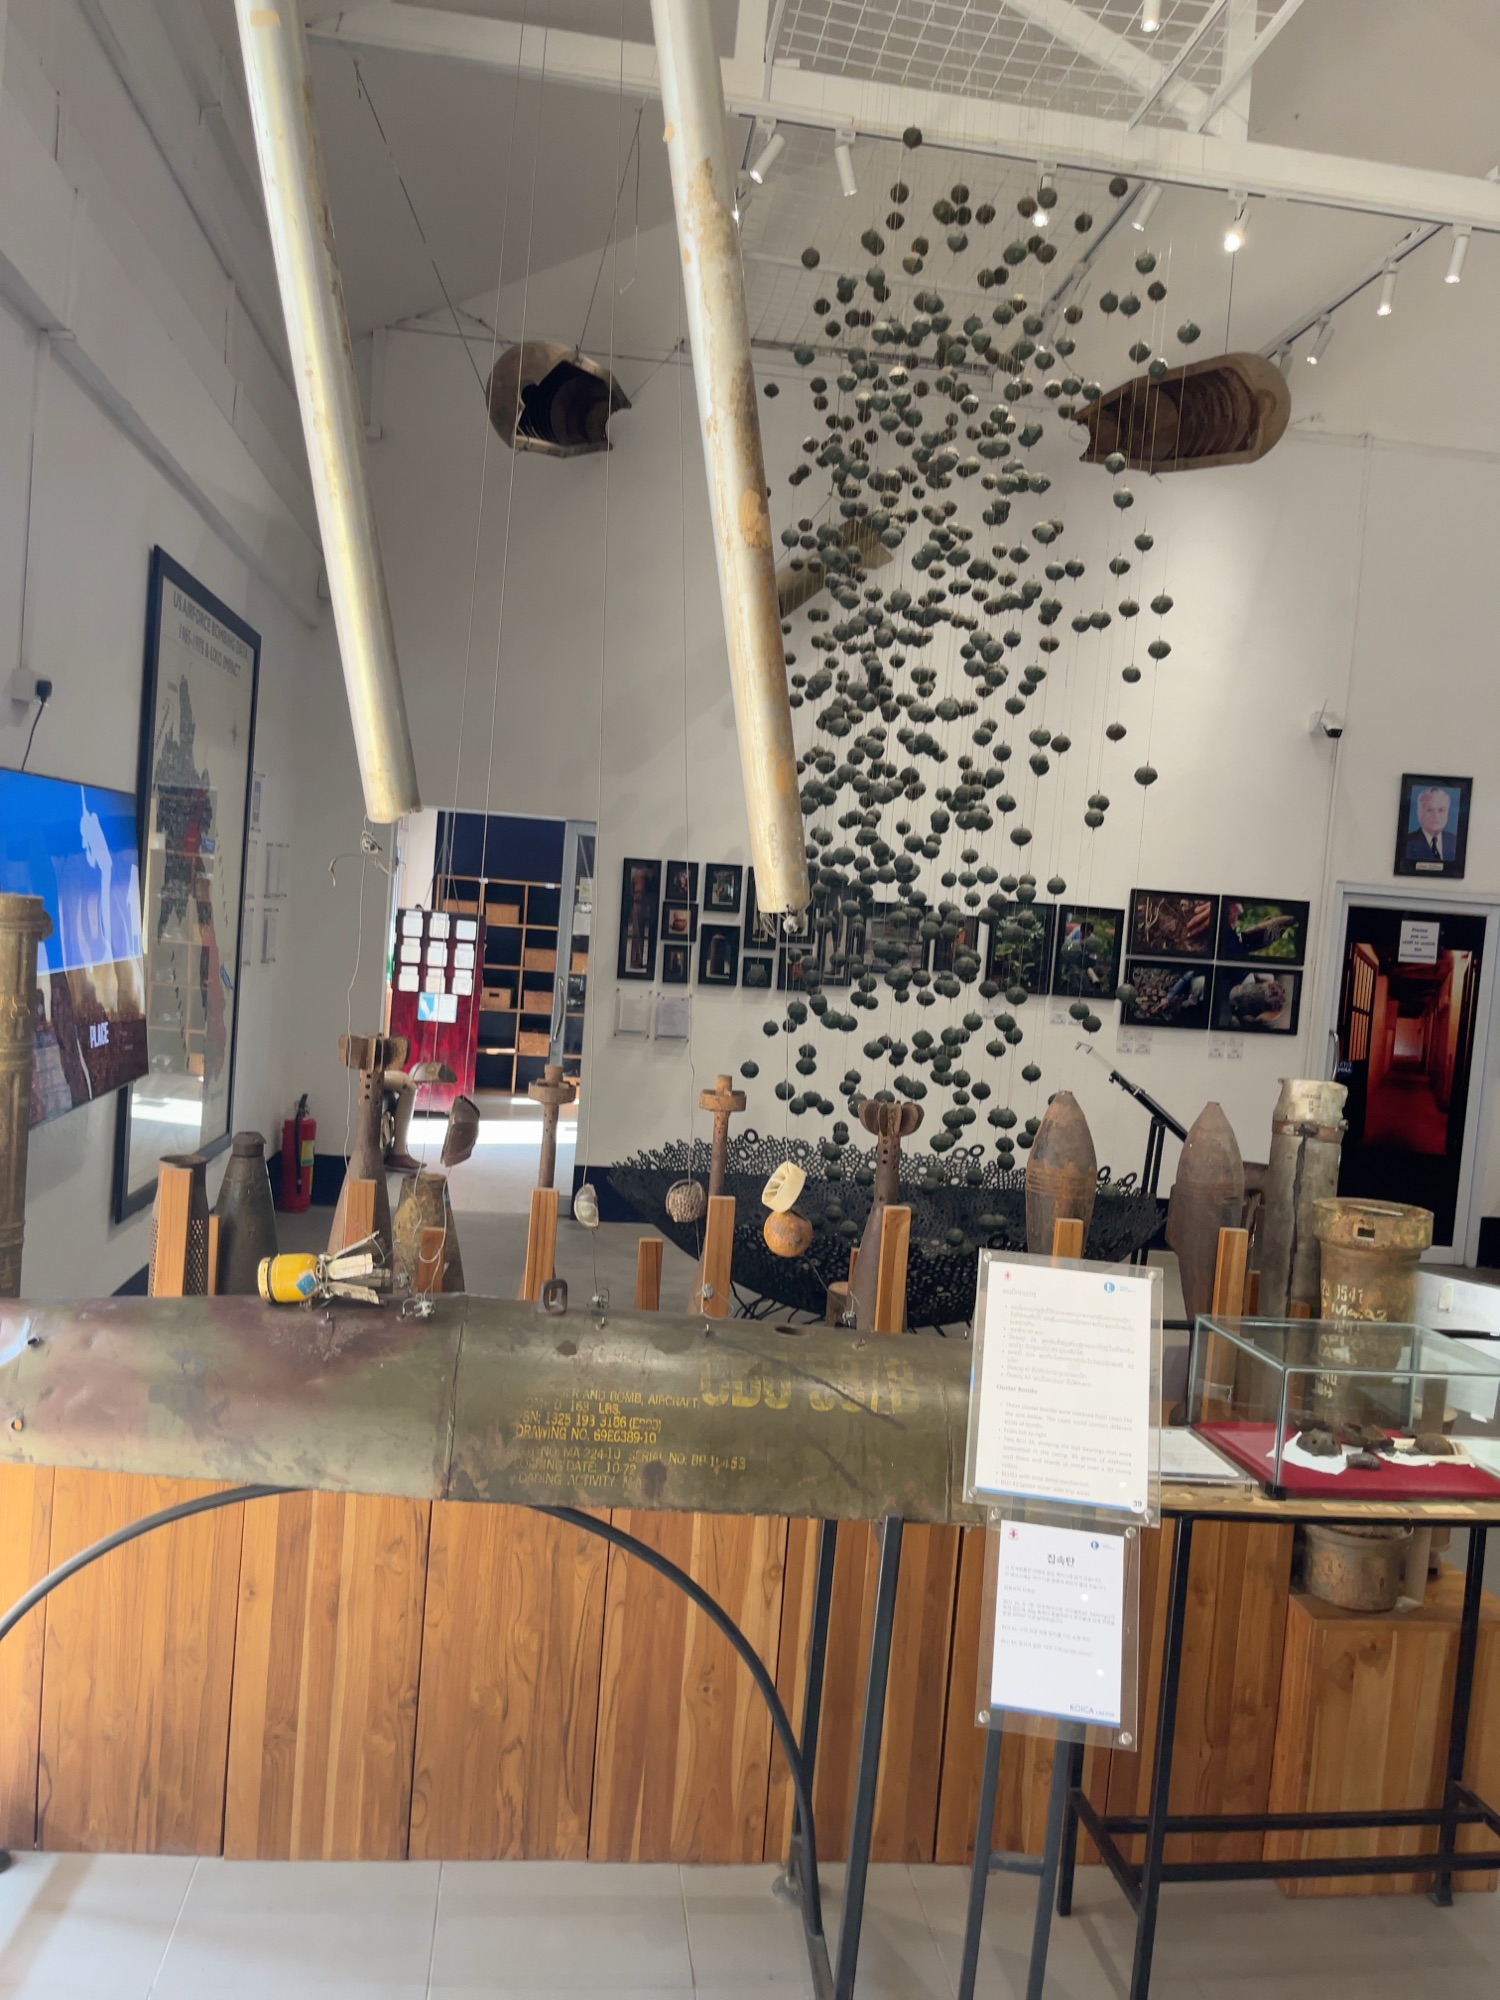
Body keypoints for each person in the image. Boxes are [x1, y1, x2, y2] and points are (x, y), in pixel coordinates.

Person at [1405, 787, 1456, 866]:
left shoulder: (1455, 842)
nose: (1436, 816)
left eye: (1441, 810)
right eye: (1429, 810)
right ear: (1419, 813)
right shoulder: (1407, 843)